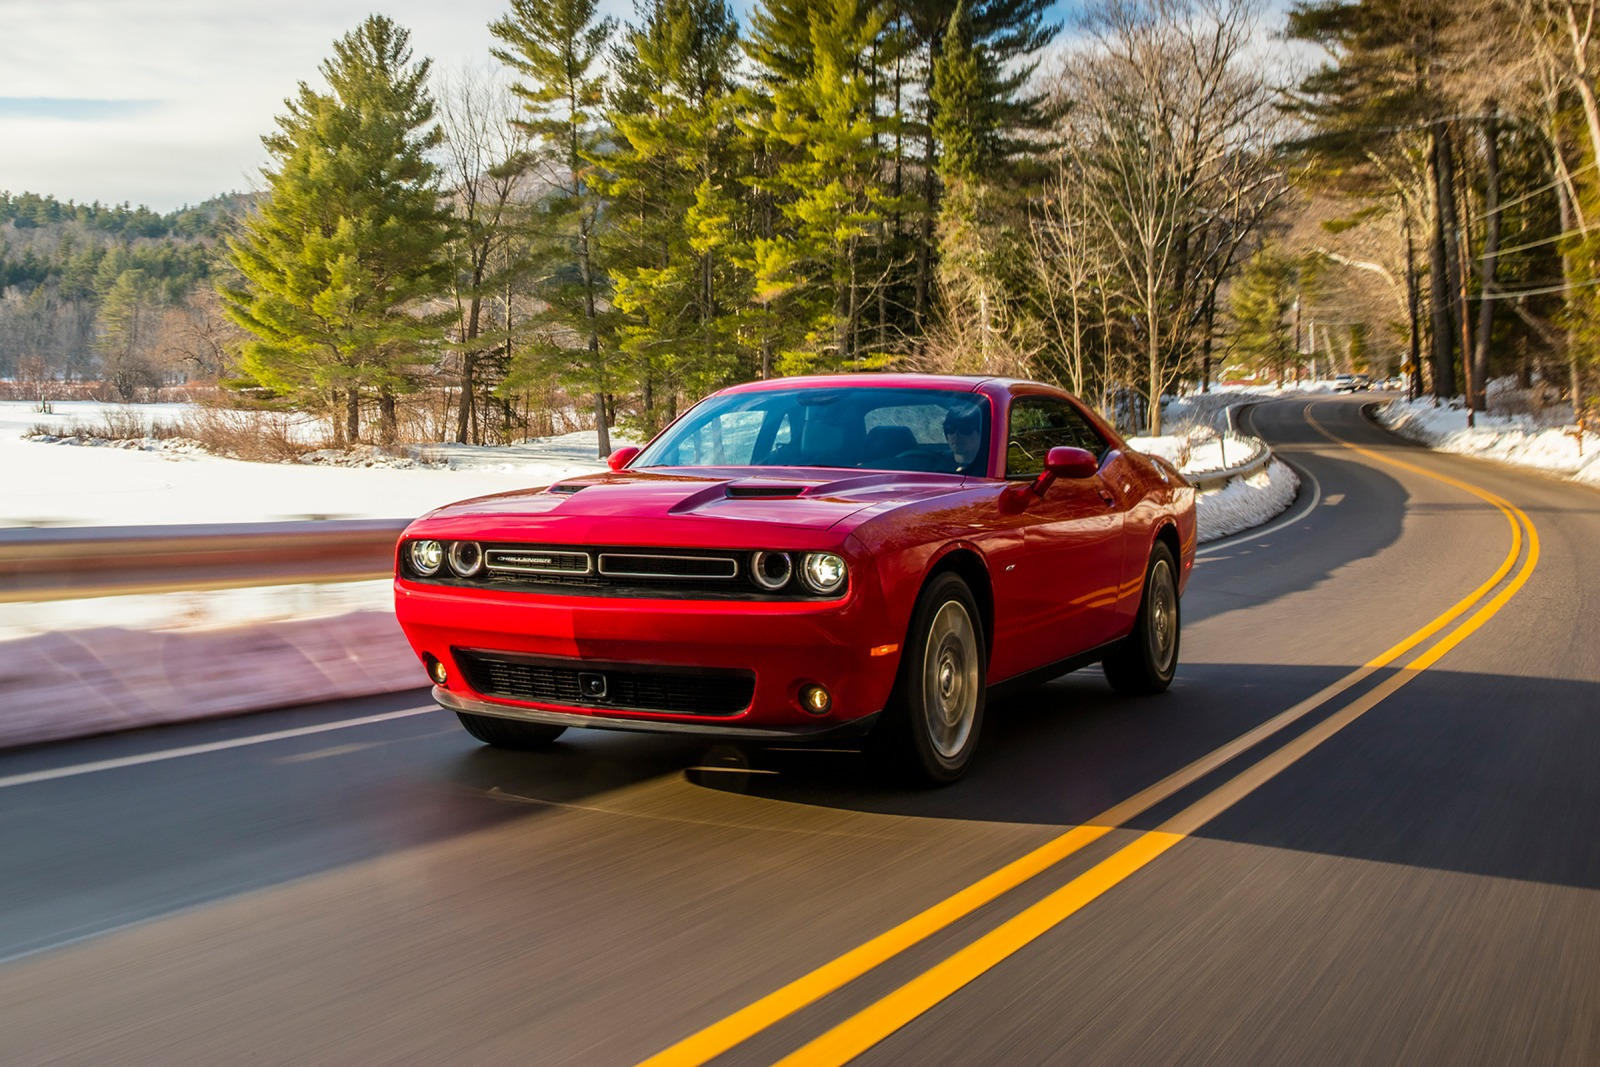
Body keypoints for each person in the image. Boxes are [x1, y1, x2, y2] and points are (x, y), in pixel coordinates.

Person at [944, 403, 987, 475]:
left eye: (965, 429)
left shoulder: (991, 467)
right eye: (950, 429)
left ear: (981, 433)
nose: (956, 435)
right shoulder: (932, 466)